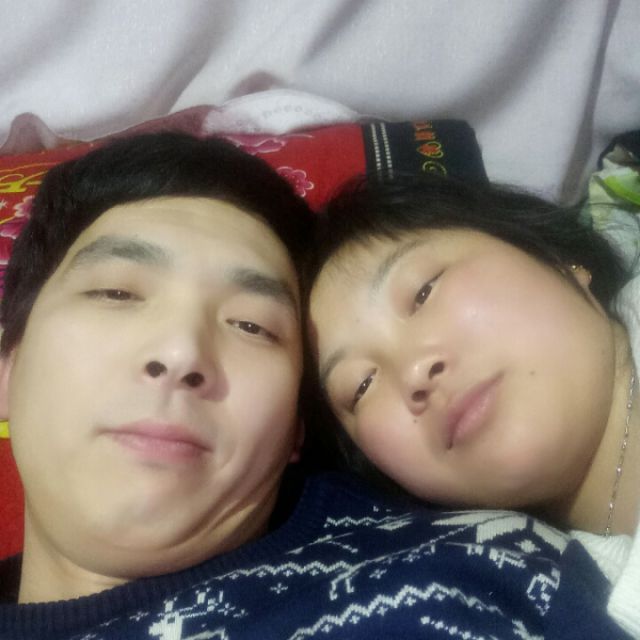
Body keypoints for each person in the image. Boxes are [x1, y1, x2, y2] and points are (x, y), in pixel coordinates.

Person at [0, 134, 628, 640]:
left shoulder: (460, 568)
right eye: (115, 292)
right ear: (8, 366)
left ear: (294, 434)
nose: (181, 351)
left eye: (251, 325)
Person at [306, 172, 640, 638]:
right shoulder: (558, 608)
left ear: (559, 260)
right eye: (361, 386)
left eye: (424, 291)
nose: (414, 371)